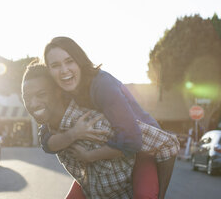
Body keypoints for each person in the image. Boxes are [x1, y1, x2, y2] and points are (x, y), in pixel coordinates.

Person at [43, 36, 178, 199]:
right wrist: (74, 134)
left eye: (69, 61)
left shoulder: (101, 84)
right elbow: (45, 140)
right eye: (55, 65)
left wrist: (89, 156)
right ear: (49, 71)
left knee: (144, 195)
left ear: (79, 61)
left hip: (142, 150)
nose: (64, 70)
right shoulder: (60, 93)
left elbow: (132, 141)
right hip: (105, 154)